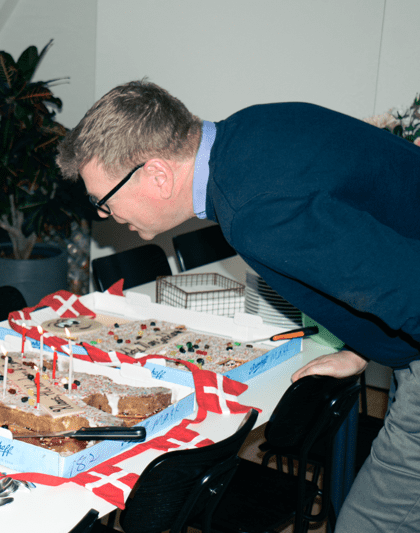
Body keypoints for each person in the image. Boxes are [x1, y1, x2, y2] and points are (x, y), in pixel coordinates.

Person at [57, 80, 420, 532]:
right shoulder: (253, 125)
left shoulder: (254, 212)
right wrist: (362, 345)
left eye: (103, 201)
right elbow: (369, 224)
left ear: (158, 175)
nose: (102, 214)